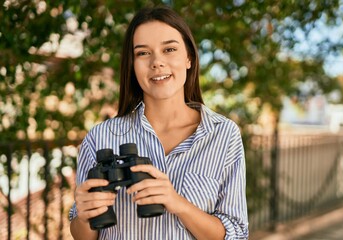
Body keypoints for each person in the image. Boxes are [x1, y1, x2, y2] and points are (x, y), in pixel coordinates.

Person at [69, 5, 248, 240]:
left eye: (169, 49)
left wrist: (177, 203)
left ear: (189, 58)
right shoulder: (101, 137)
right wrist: (83, 216)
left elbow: (236, 234)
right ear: (132, 66)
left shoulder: (223, 135)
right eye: (143, 53)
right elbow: (82, 236)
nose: (157, 62)